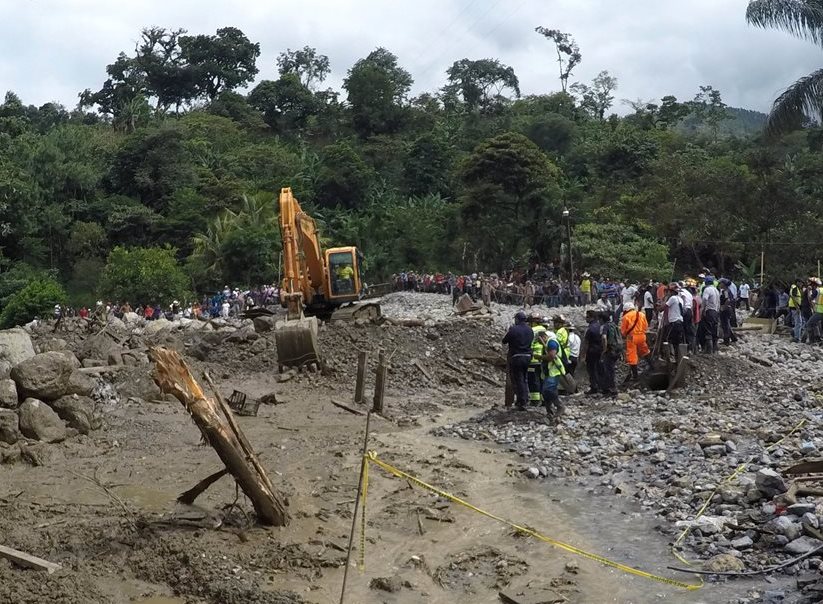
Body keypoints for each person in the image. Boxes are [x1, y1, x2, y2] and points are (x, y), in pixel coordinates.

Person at [502, 311, 534, 410]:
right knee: (524, 379)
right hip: (528, 357)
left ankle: (521, 401)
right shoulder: (530, 330)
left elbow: (504, 341)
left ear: (517, 319)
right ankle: (525, 399)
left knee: (518, 379)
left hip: (517, 357)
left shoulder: (514, 330)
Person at [537, 329, 566, 420]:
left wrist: (540, 357)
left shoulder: (552, 343)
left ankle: (559, 406)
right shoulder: (548, 343)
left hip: (553, 371)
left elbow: (551, 356)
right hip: (548, 371)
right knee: (545, 392)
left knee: (548, 390)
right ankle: (549, 411)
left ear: (544, 337)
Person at [620, 301, 649, 383]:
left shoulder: (625, 317)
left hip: (632, 338)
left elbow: (623, 331)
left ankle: (635, 376)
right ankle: (652, 366)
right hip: (642, 336)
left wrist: (624, 336)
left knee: (632, 357)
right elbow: (646, 326)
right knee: (645, 351)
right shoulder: (642, 314)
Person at [580, 310, 603, 396]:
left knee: (592, 370)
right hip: (600, 351)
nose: (586, 318)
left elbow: (586, 343)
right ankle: (601, 386)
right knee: (599, 369)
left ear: (591, 317)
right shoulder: (600, 326)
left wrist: (583, 355)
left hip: (591, 352)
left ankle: (594, 387)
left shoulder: (590, 329)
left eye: (587, 317)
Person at [526, 313, 546, 406]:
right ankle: (543, 399)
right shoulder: (543, 329)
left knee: (533, 379)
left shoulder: (531, 330)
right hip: (542, 358)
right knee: (541, 379)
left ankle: (535, 400)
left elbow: (527, 343)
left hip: (533, 358)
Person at [599, 311, 620, 397]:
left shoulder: (605, 326)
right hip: (616, 350)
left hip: (609, 350)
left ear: (601, 319)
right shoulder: (614, 325)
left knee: (608, 370)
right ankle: (609, 388)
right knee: (611, 369)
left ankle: (611, 389)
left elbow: (604, 337)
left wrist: (604, 349)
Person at [664, 283, 685, 359]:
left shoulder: (672, 298)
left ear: (672, 292)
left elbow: (666, 307)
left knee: (668, 339)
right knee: (677, 341)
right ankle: (677, 356)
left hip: (674, 322)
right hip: (680, 321)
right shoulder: (681, 299)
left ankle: (671, 356)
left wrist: (666, 319)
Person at [700, 277, 720, 353]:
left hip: (709, 311)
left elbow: (704, 299)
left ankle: (709, 351)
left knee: (708, 330)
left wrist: (702, 309)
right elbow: (718, 302)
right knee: (714, 330)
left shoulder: (707, 289)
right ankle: (714, 350)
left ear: (706, 283)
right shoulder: (716, 290)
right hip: (715, 311)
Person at [804, 277, 823, 344]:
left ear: (814, 285)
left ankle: (812, 341)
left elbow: (810, 298)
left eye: (811, 284)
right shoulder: (821, 290)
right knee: (818, 324)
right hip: (819, 311)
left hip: (820, 312)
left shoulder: (817, 291)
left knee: (809, 324)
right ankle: (819, 339)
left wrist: (809, 291)